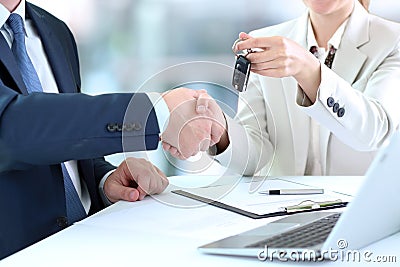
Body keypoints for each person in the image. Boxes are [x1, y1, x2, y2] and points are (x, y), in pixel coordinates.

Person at [0, 0, 220, 259]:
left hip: (89, 245)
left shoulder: (53, 30)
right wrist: (157, 112)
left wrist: (104, 181)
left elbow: (64, 136)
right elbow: (11, 126)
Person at [170, 0, 400, 177]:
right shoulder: (265, 41)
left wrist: (308, 69)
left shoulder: (393, 41)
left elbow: (373, 132)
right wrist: (219, 130)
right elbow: (256, 154)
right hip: (284, 212)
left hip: (359, 213)